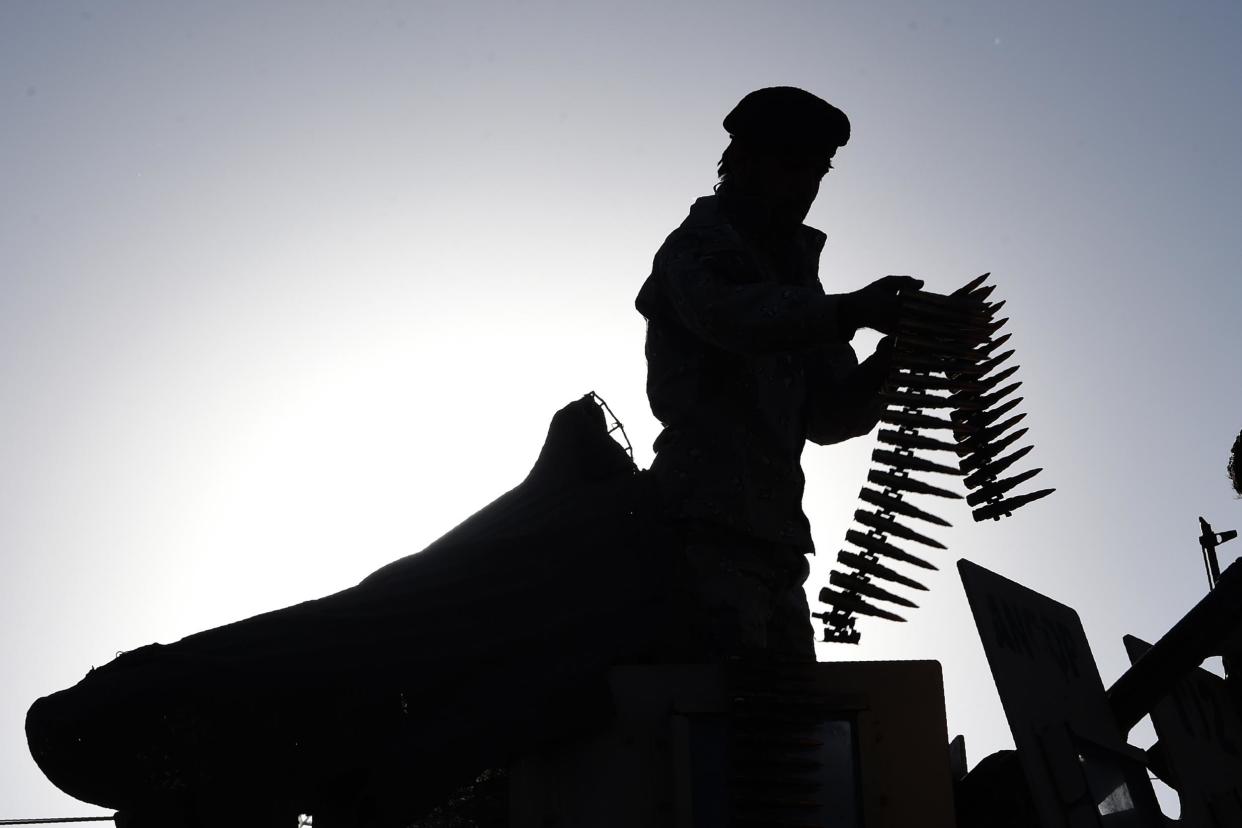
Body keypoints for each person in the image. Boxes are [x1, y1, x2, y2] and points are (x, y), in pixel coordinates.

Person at [635, 86, 922, 661]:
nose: (806, 187)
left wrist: (898, 355)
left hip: (778, 548)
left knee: (793, 730)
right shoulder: (694, 250)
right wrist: (851, 312)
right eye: (792, 164)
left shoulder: (797, 287)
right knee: (728, 723)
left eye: (818, 171)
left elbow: (830, 415)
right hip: (697, 530)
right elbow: (729, 318)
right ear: (741, 161)